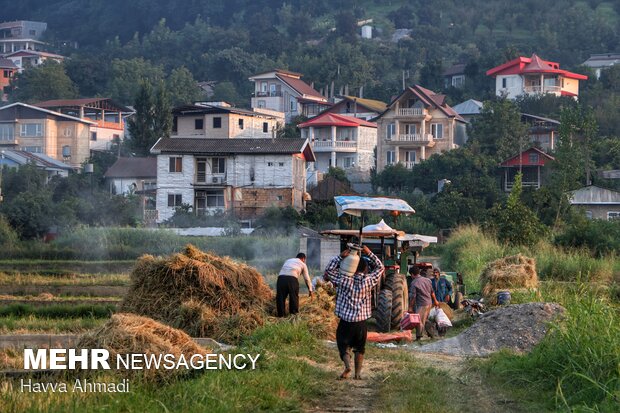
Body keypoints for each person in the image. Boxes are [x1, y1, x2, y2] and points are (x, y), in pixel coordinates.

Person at [323, 245, 384, 380]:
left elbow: (328, 271)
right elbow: (380, 268)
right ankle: (357, 374)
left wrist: (341, 257)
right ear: (365, 269)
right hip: (361, 324)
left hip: (346, 322)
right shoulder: (369, 281)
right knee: (360, 348)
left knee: (343, 345)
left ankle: (347, 366)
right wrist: (369, 253)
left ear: (352, 267)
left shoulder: (344, 280)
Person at [408, 266, 439, 341]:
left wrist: (410, 307)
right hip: (429, 303)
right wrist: (435, 301)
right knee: (424, 319)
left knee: (419, 321)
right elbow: (432, 292)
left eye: (411, 275)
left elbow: (413, 297)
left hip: (422, 304)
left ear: (412, 274)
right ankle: (432, 334)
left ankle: (419, 337)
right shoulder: (427, 280)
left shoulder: (414, 283)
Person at [276, 253, 312, 317]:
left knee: (280, 297)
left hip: (281, 278)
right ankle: (293, 315)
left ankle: (280, 316)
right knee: (293, 297)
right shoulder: (303, 264)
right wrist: (310, 290)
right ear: (303, 259)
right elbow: (307, 279)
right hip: (292, 279)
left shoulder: (288, 260)